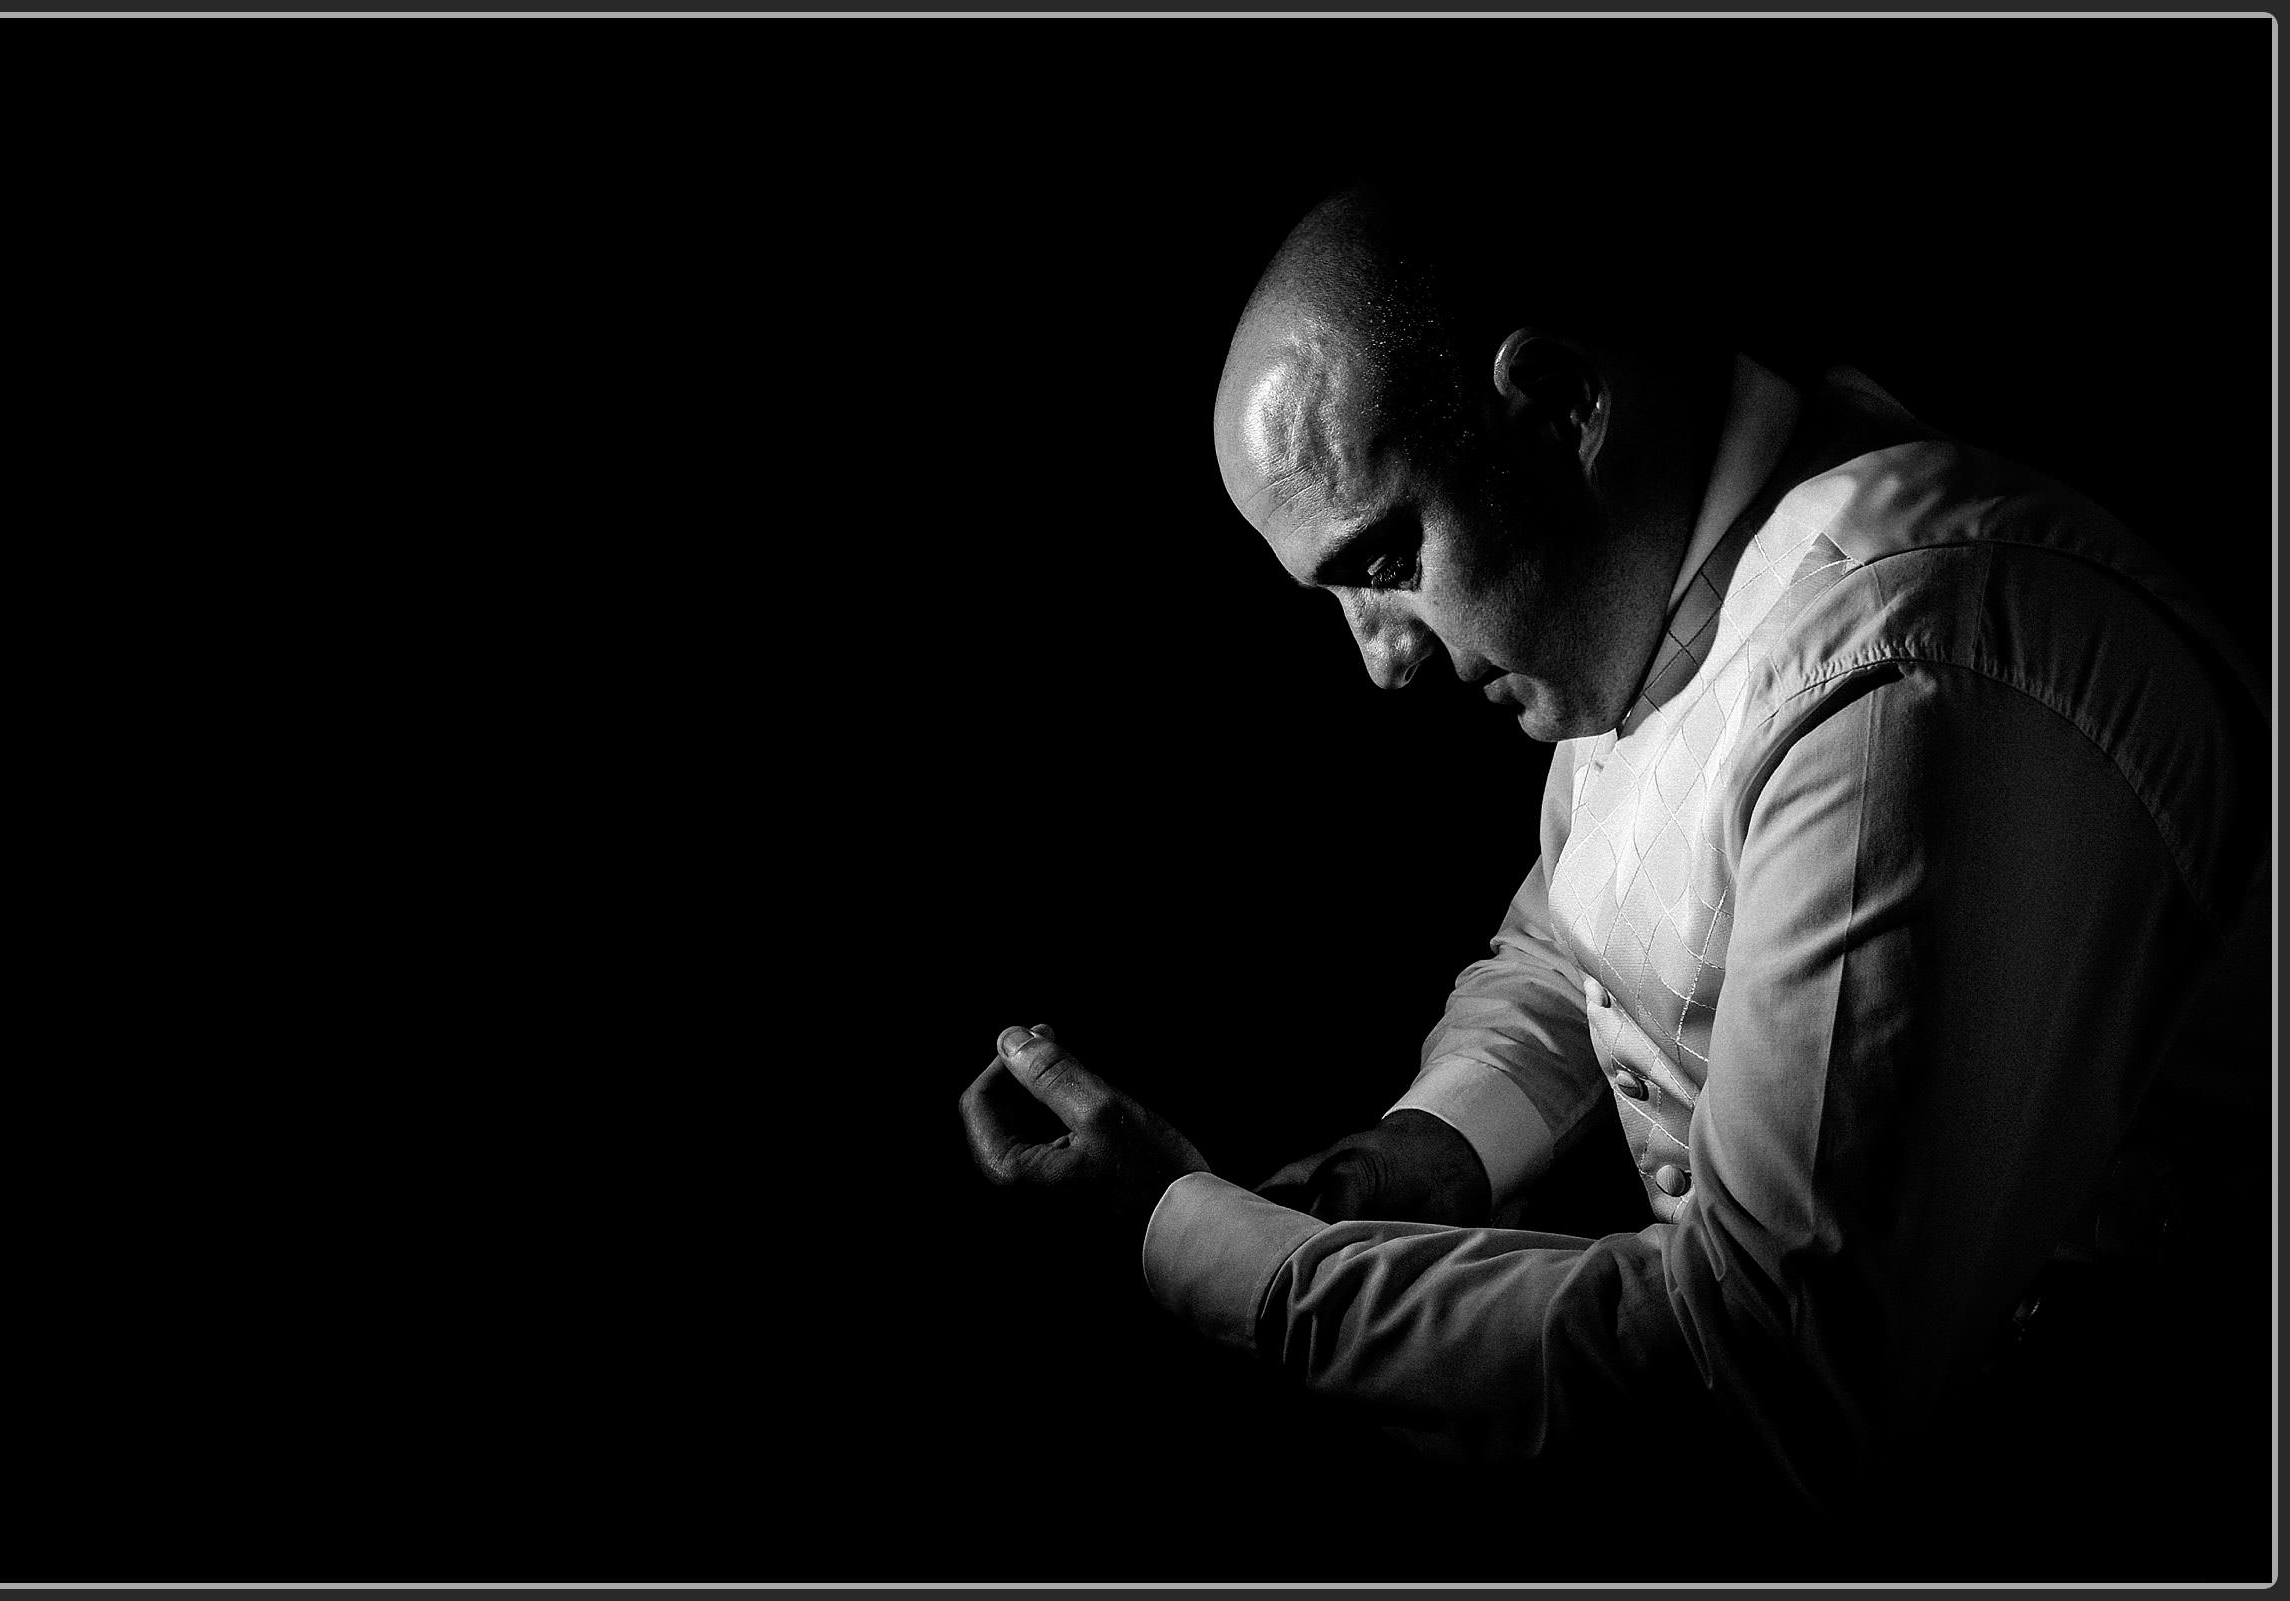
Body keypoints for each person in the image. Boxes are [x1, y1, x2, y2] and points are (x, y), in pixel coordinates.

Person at [958, 185, 2269, 1579]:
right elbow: (1570, 929)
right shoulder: (1688, 574)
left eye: (1387, 562)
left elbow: (1764, 1385)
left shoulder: (1900, 673)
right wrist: (1424, 1153)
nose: (1380, 661)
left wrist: (1198, 1244)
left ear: (1562, 404)